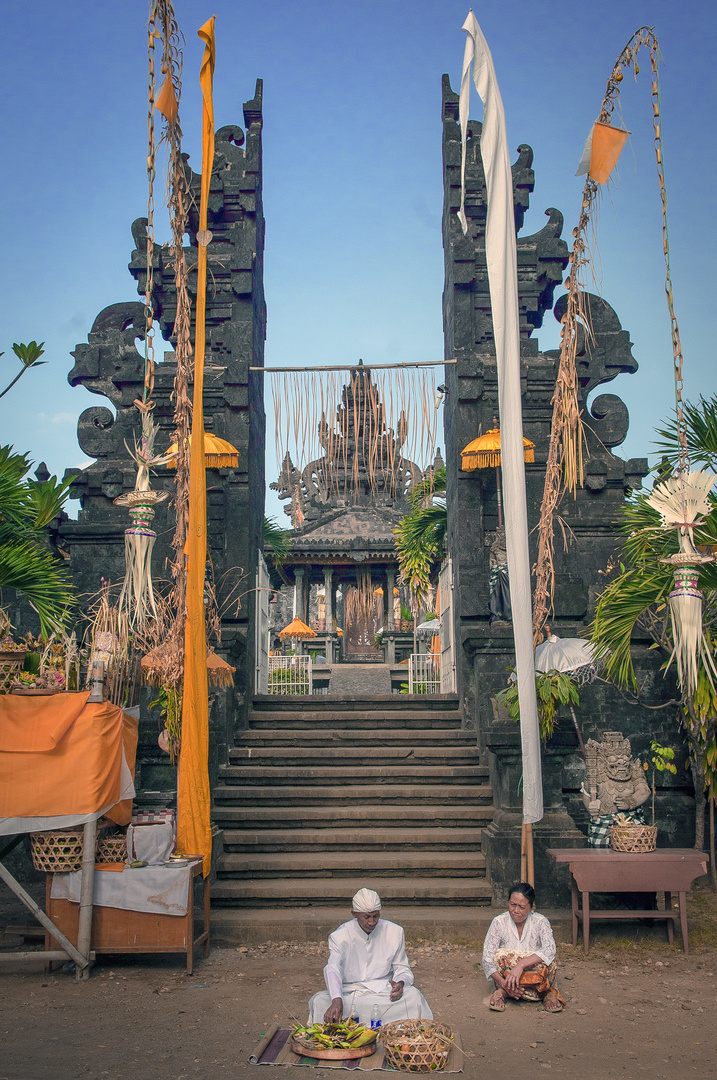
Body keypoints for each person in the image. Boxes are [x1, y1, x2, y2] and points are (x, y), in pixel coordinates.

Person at [308, 888, 433, 1026]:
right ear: (354, 914)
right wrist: (337, 1000)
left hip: (384, 992)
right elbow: (333, 968)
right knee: (319, 1001)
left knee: (413, 996)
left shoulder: (394, 932)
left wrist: (400, 983)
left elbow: (402, 967)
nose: (372, 922)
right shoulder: (339, 936)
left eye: (376, 916)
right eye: (366, 917)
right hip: (350, 992)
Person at [481, 882, 565, 1013]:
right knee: (498, 956)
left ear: (532, 907)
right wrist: (504, 983)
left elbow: (549, 949)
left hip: (533, 972)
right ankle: (541, 992)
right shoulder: (499, 922)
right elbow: (487, 959)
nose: (515, 911)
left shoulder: (540, 921)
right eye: (512, 904)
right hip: (507, 978)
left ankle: (503, 993)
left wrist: (520, 966)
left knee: (550, 961)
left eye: (521, 907)